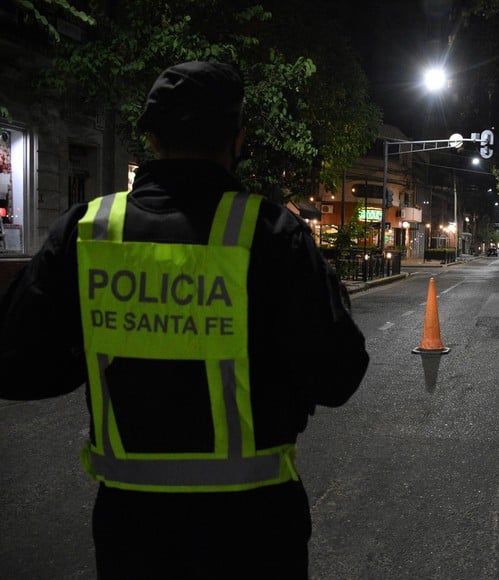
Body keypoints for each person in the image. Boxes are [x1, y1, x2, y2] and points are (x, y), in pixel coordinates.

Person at [0, 61, 369, 579]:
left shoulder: (89, 230)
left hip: (134, 530)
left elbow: (16, 365)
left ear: (150, 136)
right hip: (256, 528)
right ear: (238, 139)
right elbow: (338, 376)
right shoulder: (271, 234)